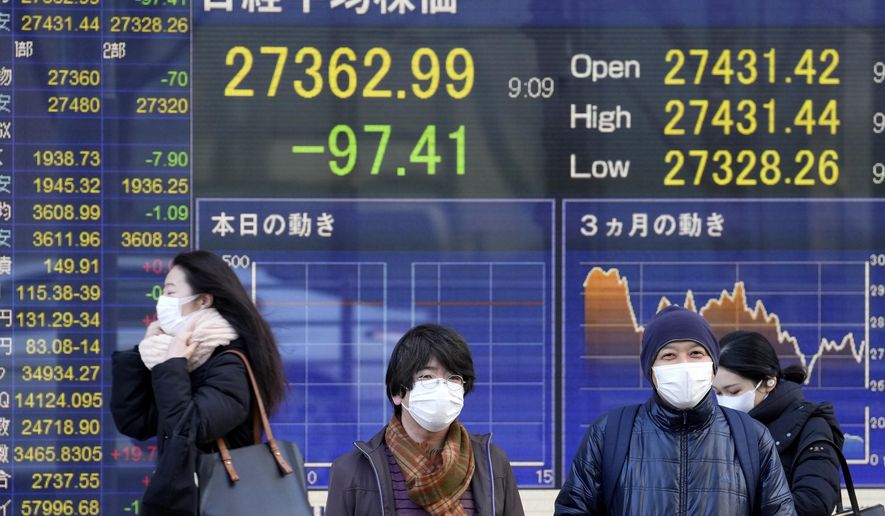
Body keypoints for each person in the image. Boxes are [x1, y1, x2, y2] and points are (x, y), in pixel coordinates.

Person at [555, 305, 796, 515]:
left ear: (713, 365)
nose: (684, 364)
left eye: (696, 353)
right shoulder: (610, 433)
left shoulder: (752, 437)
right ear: (651, 370)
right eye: (669, 355)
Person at [111, 250, 287, 516]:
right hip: (182, 500)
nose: (162, 302)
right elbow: (135, 422)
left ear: (203, 300)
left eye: (170, 292)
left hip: (220, 501)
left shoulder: (229, 364)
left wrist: (172, 365)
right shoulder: (186, 358)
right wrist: (140, 354)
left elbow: (188, 427)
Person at [327, 323, 525, 516]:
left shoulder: (492, 462)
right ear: (398, 391)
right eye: (427, 376)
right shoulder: (351, 470)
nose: (442, 387)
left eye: (453, 378)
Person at [714, 330, 844, 516]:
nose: (725, 401)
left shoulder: (812, 426)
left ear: (769, 382)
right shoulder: (718, 427)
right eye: (717, 393)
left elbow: (813, 504)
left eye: (734, 392)